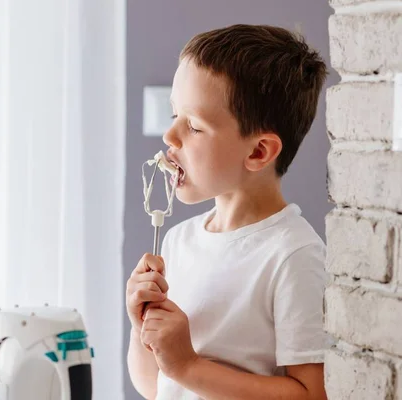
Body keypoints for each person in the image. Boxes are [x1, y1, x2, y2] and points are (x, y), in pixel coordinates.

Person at [126, 24, 329, 400]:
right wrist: (142, 327)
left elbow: (311, 395)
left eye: (194, 126)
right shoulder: (178, 241)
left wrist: (188, 365)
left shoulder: (292, 255)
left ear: (257, 152)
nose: (170, 137)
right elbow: (155, 386)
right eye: (174, 115)